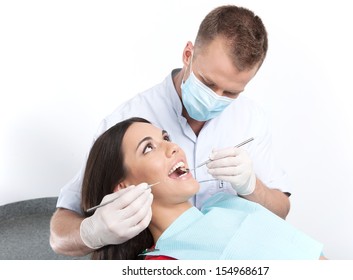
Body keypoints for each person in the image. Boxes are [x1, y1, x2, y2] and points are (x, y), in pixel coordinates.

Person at [50, 5, 292, 256]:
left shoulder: (250, 119)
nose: (215, 98)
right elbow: (60, 234)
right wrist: (94, 231)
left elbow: (281, 210)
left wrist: (251, 186)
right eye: (208, 83)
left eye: (230, 92)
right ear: (188, 54)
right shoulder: (124, 122)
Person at [82, 117, 324, 260]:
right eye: (148, 148)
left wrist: (252, 186)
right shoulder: (163, 262)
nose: (173, 147)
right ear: (124, 188)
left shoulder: (228, 203)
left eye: (166, 137)